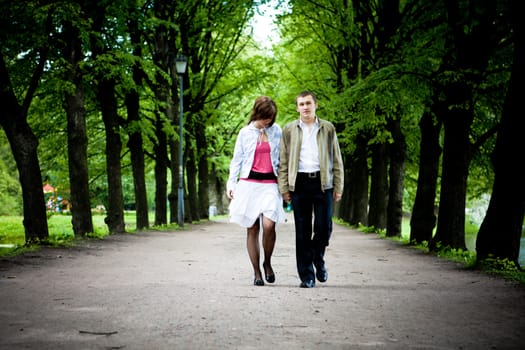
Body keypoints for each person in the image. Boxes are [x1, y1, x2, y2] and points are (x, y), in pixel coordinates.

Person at [278, 91, 344, 288]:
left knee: (324, 228)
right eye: (301, 104)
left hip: (323, 183)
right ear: (297, 107)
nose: (305, 107)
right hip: (299, 183)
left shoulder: (328, 128)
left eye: (308, 103)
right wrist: (284, 187)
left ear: (316, 105)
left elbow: (337, 159)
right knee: (302, 231)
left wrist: (338, 186)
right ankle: (306, 276)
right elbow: (283, 161)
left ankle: (318, 257)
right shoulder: (289, 129)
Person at [227, 96, 286, 286]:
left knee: (269, 225)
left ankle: (267, 262)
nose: (268, 121)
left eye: (271, 117)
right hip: (248, 184)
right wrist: (231, 184)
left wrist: (285, 185)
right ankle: (257, 272)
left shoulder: (277, 131)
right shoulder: (245, 133)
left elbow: (283, 158)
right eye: (265, 117)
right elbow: (237, 160)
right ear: (257, 113)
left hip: (269, 184)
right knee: (252, 228)